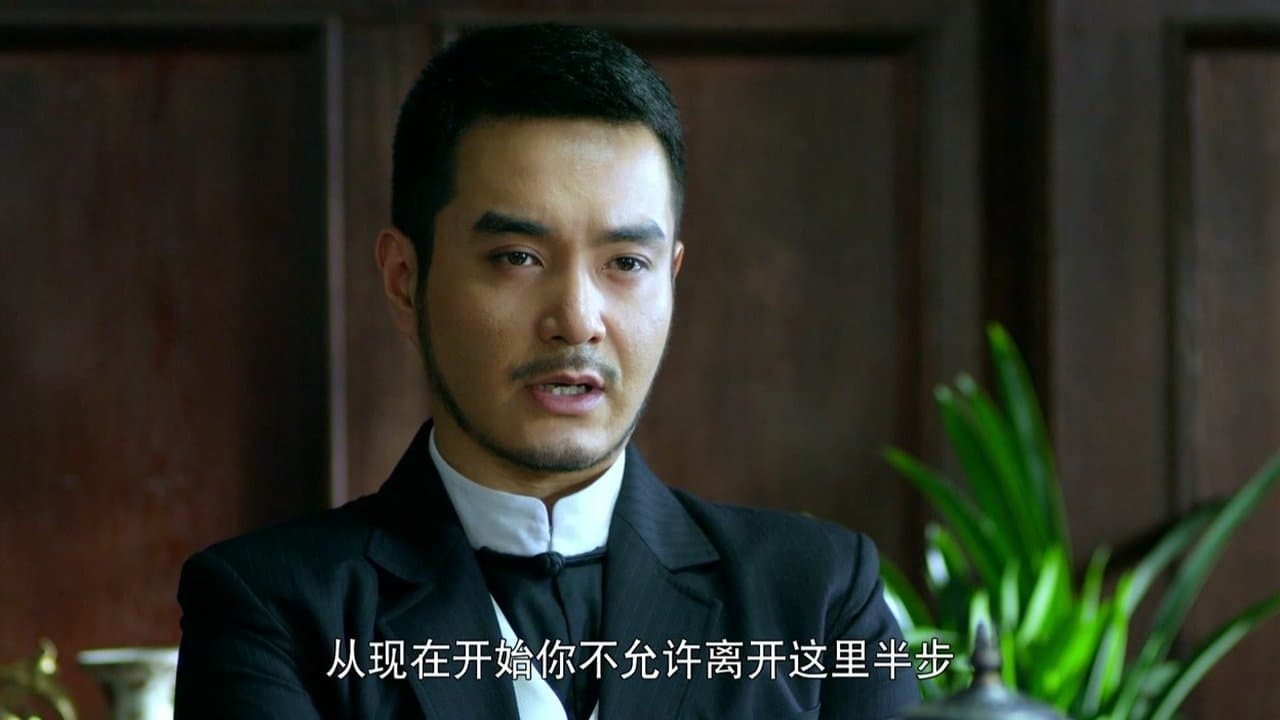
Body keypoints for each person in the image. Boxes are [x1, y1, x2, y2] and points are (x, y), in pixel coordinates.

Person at [174, 22, 920, 720]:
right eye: (518, 258)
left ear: (671, 277)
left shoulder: (817, 598)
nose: (578, 319)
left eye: (626, 263)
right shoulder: (271, 609)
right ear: (405, 280)